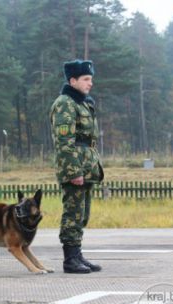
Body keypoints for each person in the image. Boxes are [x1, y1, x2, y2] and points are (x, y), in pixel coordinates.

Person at [49, 59, 104, 274]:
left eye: (91, 79)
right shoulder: (65, 103)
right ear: (73, 80)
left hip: (86, 164)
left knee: (82, 213)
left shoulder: (83, 103)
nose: (90, 83)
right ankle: (70, 259)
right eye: (86, 79)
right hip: (74, 166)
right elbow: (64, 140)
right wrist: (73, 171)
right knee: (72, 212)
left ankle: (77, 254)